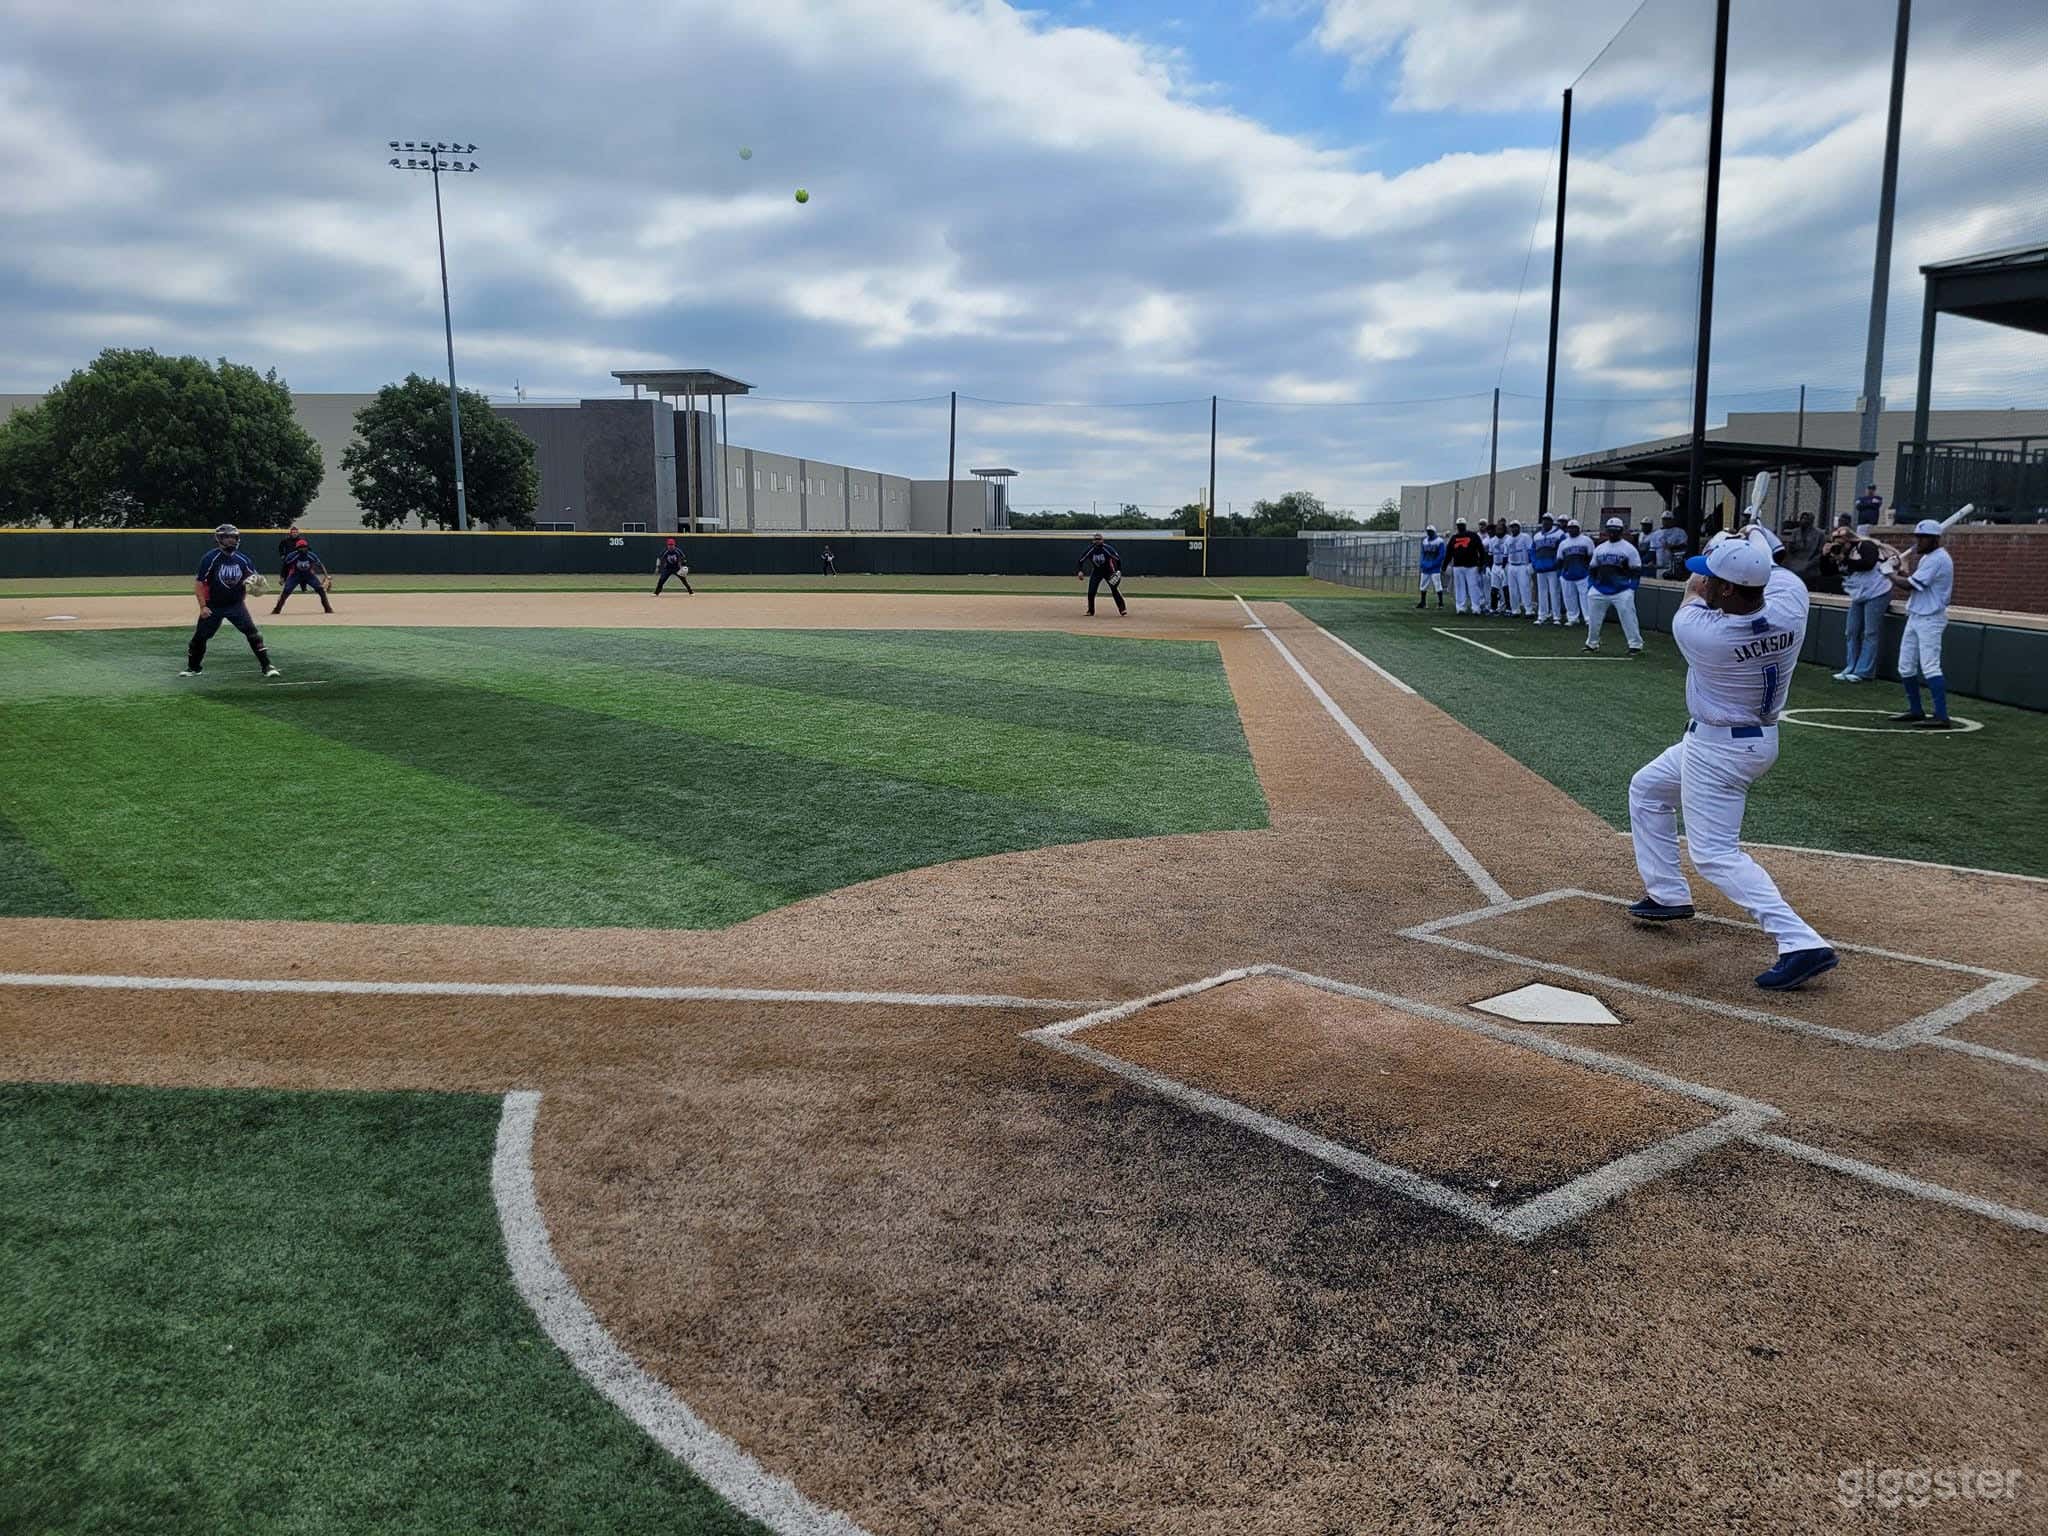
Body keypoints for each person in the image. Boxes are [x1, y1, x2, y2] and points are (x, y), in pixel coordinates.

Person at [1625, 528, 1837, 991]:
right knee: (1647, 788)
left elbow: (1693, 591)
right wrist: (1750, 541)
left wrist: (1725, 548)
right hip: (1751, 739)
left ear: (1725, 588)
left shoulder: (1704, 633)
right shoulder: (1790, 606)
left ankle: (1799, 942)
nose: (1706, 582)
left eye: (1715, 579)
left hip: (1719, 750)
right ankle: (1666, 894)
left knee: (1715, 854)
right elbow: (1774, 565)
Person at [180, 523, 279, 679]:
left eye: (233, 537)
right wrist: (203, 606)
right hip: (213, 605)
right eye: (226, 538)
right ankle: (193, 668)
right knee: (199, 639)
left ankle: (267, 666)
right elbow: (199, 584)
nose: (230, 541)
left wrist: (255, 586)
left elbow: (253, 579)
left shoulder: (243, 560)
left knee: (253, 634)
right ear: (219, 539)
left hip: (235, 605)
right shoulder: (210, 558)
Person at [1888, 518, 1955, 728]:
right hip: (1916, 615)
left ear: (1934, 539)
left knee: (1930, 666)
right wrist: (1899, 570)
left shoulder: (1938, 558)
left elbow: (1909, 586)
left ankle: (1941, 716)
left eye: (1923, 538)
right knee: (1905, 666)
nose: (1919, 542)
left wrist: (1888, 573)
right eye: (1917, 537)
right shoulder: (1928, 558)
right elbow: (1912, 580)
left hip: (1931, 618)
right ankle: (1916, 710)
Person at [1830, 523, 1890, 683]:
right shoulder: (1843, 554)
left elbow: (1868, 563)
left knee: (1870, 632)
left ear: (1849, 540)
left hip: (1878, 591)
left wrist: (1845, 560)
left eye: (1841, 542)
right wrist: (1827, 556)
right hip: (1859, 595)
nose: (1840, 546)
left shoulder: (1866, 545)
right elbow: (1828, 571)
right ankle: (1850, 666)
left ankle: (1864, 671)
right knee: (1851, 630)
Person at [1582, 517, 1643, 655]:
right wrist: (1591, 585)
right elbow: (1592, 568)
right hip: (1599, 589)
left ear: (1621, 531)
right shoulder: (1600, 548)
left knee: (1628, 617)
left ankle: (1635, 645)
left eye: (1615, 530)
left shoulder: (1629, 549)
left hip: (1621, 590)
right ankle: (1592, 644)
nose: (1612, 533)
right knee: (1594, 618)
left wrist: (1632, 587)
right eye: (1610, 530)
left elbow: (1636, 570)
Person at [271, 537, 332, 614]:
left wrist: (326, 576)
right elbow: (285, 566)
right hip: (295, 575)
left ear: (307, 548)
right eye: (301, 548)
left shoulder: (311, 555)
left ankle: (328, 608)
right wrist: (282, 577)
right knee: (286, 591)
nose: (303, 549)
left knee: (320, 590)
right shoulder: (292, 556)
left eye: (304, 547)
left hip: (309, 575)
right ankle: (277, 609)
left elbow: (320, 565)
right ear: (297, 548)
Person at [1077, 532, 1127, 617]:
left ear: (1102, 540)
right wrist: (1080, 571)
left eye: (1099, 539)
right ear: (1093, 541)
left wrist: (1119, 571)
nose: (1097, 541)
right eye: (1095, 539)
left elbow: (1118, 559)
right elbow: (1081, 560)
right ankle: (1090, 611)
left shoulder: (1107, 549)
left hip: (1109, 571)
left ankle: (1122, 609)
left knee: (1114, 589)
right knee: (1091, 591)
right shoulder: (1090, 550)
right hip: (1097, 572)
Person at [1556, 518, 1592, 627]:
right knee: (1569, 598)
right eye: (1569, 528)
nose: (1571, 530)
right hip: (1567, 575)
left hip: (1583, 574)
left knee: (1585, 597)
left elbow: (1591, 556)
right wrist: (1561, 574)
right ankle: (1572, 618)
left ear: (1578, 529)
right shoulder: (1564, 543)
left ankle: (1588, 618)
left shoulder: (1586, 540)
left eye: (1574, 528)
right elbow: (1559, 559)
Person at [1447, 519, 1486, 614]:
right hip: (1458, 566)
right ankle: (1461, 607)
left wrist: (1481, 563)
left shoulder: (1473, 536)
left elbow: (1481, 550)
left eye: (1462, 525)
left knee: (1473, 587)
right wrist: (1445, 565)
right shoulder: (1454, 538)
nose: (1460, 526)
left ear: (1465, 525)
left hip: (1471, 566)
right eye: (1459, 525)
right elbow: (1449, 553)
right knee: (1459, 588)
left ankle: (1476, 607)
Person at [1530, 514, 1563, 624]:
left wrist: (1557, 563)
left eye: (1548, 520)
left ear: (1552, 522)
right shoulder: (1537, 535)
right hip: (1540, 568)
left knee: (1554, 592)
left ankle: (1556, 616)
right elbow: (1532, 551)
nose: (1545, 523)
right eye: (1544, 520)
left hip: (1553, 568)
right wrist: (1535, 563)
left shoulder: (1559, 534)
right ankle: (1542, 615)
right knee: (1542, 592)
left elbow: (1562, 549)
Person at [1781, 512, 1823, 587]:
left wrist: (1809, 564)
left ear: (1811, 521)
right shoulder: (1795, 532)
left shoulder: (1819, 534)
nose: (1803, 521)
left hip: (1810, 563)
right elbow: (1789, 551)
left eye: (1806, 519)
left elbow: (1820, 553)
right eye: (1802, 518)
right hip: (1794, 562)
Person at [1503, 519, 1534, 616]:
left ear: (1519, 527)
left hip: (1522, 565)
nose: (1514, 528)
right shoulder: (1508, 539)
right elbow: (1505, 554)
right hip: (1511, 565)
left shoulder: (1525, 537)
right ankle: (1515, 609)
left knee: (1525, 588)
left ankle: (1528, 609)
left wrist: (1531, 563)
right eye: (1512, 526)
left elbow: (1530, 550)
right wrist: (1503, 568)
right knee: (1512, 589)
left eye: (1515, 526)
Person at [1416, 525, 1448, 608]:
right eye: (1428, 531)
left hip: (1435, 567)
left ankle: (1440, 603)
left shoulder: (1439, 541)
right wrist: (1422, 563)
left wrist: (1434, 564)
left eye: (1430, 531)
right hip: (1426, 567)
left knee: (1437, 584)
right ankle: (1423, 602)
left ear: (1434, 532)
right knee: (1423, 584)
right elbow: (1422, 553)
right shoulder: (1425, 541)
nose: (1429, 533)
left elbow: (1441, 555)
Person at [1652, 514, 1689, 579]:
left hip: (1674, 565)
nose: (1666, 521)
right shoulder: (1656, 533)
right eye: (1664, 519)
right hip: (1660, 565)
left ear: (1672, 520)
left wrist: (1673, 546)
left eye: (1668, 519)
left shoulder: (1679, 531)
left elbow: (1684, 546)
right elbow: (1652, 550)